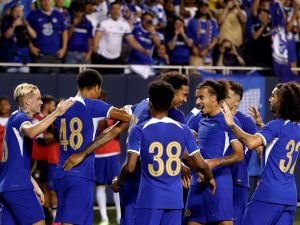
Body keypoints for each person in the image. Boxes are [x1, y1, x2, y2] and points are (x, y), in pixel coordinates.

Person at [62, 71, 191, 225]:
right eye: (183, 94)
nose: (185, 99)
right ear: (170, 91)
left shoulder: (149, 109)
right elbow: (111, 133)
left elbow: (110, 133)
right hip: (142, 184)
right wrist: (82, 154)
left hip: (147, 185)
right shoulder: (157, 112)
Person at [111, 80, 216, 225]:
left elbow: (130, 167)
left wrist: (118, 181)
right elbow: (200, 164)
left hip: (149, 200)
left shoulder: (140, 129)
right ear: (169, 103)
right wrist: (209, 177)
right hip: (174, 201)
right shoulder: (183, 129)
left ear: (151, 103)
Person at [53, 69, 131, 225]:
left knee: (62, 220)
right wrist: (128, 109)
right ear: (96, 88)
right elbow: (128, 118)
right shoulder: (94, 105)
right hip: (80, 173)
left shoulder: (61, 106)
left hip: (61, 172)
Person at [221, 81, 300, 225]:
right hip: (289, 197)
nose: (270, 99)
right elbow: (279, 141)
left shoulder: (276, 125)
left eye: (273, 96)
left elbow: (250, 143)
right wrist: (261, 125)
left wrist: (231, 124)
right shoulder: (296, 128)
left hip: (269, 193)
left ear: (283, 101)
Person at [0, 83, 73, 225]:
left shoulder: (13, 118)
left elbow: (16, 163)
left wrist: (34, 185)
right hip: (18, 187)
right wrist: (57, 112)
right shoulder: (20, 118)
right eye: (38, 98)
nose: (41, 102)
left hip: (7, 187)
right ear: (27, 101)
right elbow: (32, 131)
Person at [184, 80, 244, 225]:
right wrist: (193, 169)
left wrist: (214, 162)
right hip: (197, 181)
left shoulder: (229, 121)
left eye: (201, 97)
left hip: (220, 182)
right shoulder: (197, 119)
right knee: (192, 222)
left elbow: (239, 155)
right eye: (196, 98)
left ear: (214, 98)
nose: (197, 102)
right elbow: (186, 150)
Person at [219, 80, 261, 225]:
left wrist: (264, 175)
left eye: (227, 97)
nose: (223, 98)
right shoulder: (211, 117)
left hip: (237, 179)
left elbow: (260, 149)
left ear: (236, 102)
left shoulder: (245, 121)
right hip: (216, 178)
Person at [94, 90, 122, 225]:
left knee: (116, 184)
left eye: (102, 98)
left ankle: (119, 215)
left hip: (112, 153)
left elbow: (118, 133)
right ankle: (104, 217)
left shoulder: (112, 113)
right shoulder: (91, 114)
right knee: (99, 186)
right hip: (97, 154)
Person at [0, 97, 11, 162]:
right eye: (1, 104)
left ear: (9, 106)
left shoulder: (14, 121)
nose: (3, 106)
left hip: (9, 158)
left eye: (5, 104)